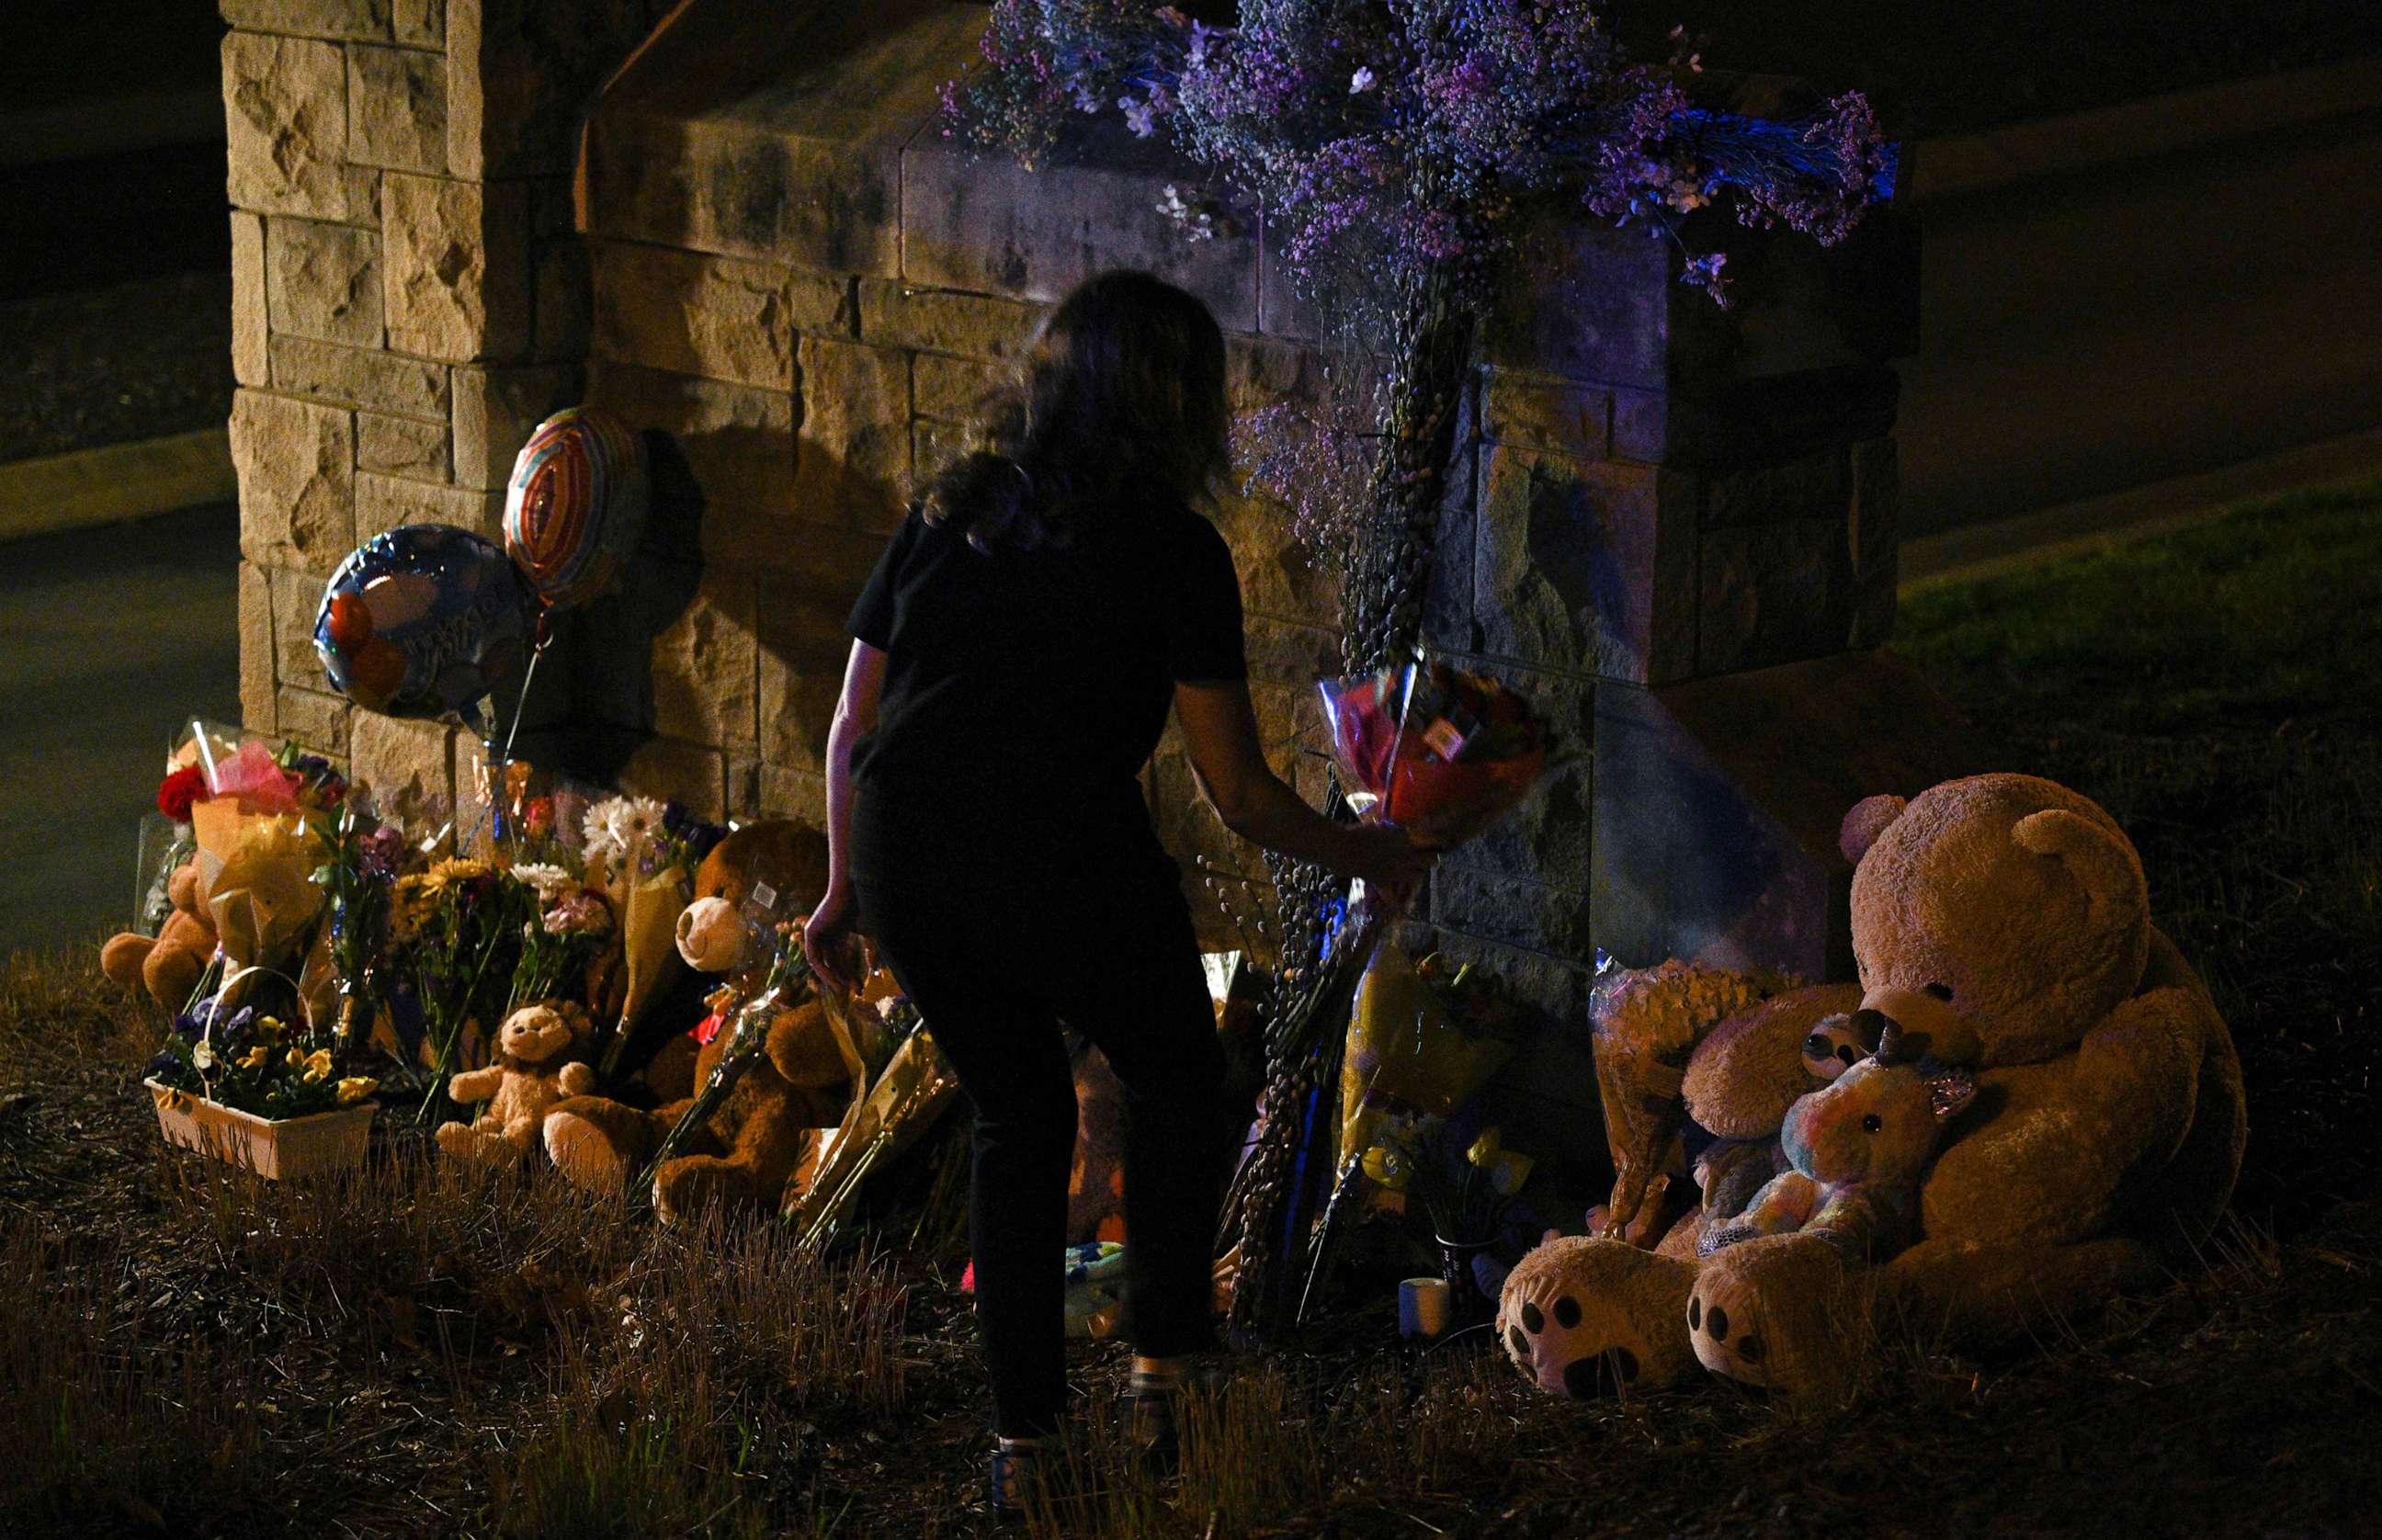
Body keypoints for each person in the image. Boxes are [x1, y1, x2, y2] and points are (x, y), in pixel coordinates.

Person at [801, 269, 1434, 1514]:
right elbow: (1239, 792)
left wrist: (840, 890)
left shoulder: (950, 508)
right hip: (1060, 853)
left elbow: (849, 724)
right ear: (1178, 403)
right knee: (1177, 1080)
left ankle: (1023, 1443)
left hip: (908, 846)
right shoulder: (1172, 549)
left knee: (1016, 1117)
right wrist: (1372, 852)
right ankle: (1162, 1372)